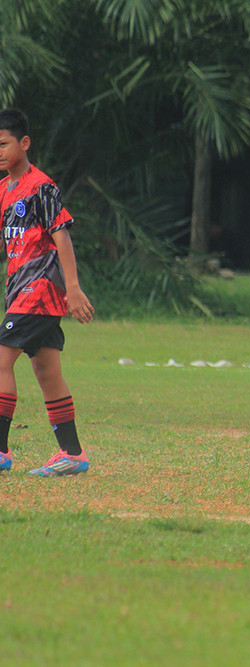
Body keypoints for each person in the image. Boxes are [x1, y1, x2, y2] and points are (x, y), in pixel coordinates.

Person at [0, 108, 94, 476]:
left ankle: (1, 451)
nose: (0, 151)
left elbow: (62, 237)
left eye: (5, 143)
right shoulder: (4, 189)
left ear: (24, 143)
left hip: (40, 290)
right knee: (46, 369)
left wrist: (73, 289)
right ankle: (72, 454)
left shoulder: (42, 187)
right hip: (20, 289)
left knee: (1, 361)